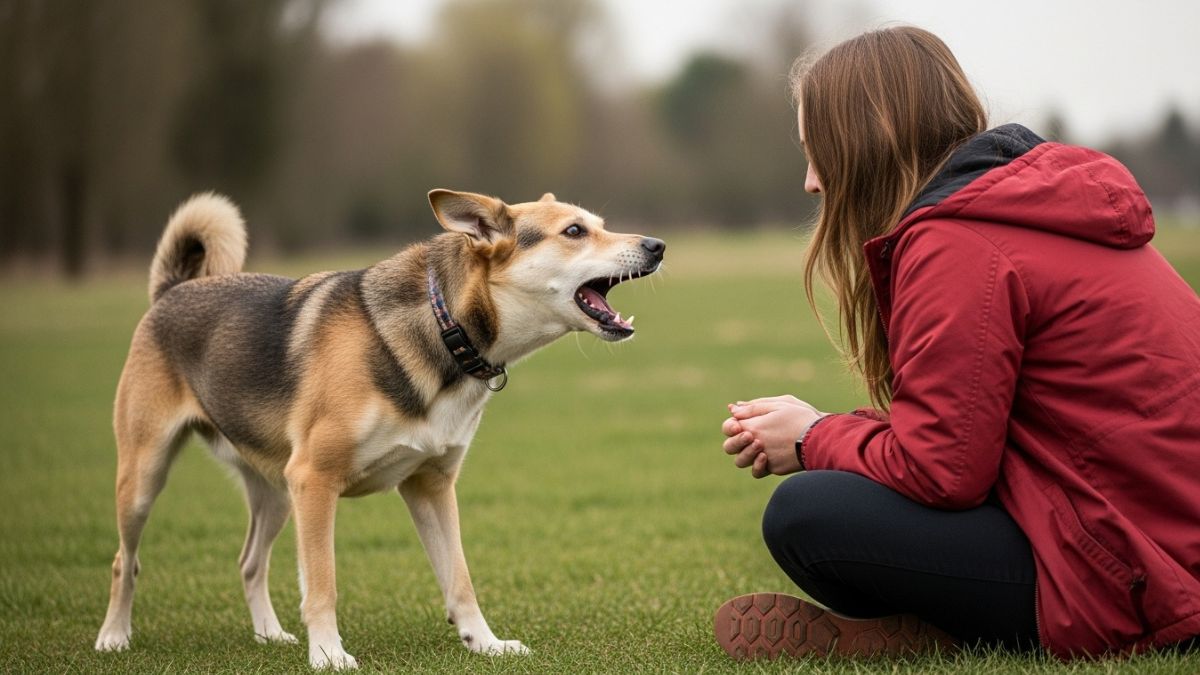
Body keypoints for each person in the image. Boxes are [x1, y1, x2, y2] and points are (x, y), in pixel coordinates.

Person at [714, 25, 1200, 662]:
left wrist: (812, 437)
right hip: (1158, 534)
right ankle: (945, 627)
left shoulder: (957, 244)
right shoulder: (1023, 209)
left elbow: (943, 470)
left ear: (866, 141)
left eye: (819, 151)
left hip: (1140, 569)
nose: (811, 181)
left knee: (806, 516)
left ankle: (946, 632)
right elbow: (971, 431)